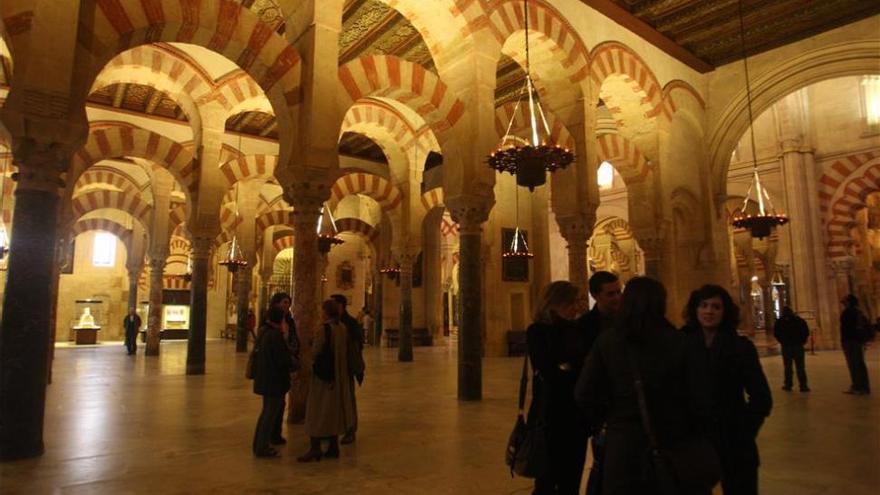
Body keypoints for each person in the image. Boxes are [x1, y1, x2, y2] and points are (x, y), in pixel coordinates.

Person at [577, 277, 713, 495]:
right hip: (674, 441)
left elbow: (584, 393)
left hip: (624, 444)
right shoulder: (680, 342)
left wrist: (609, 419)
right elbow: (701, 396)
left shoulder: (608, 342)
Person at [682, 285, 772, 495]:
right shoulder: (682, 345)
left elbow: (762, 398)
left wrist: (744, 431)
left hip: (734, 442)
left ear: (725, 312)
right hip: (696, 441)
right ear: (695, 310)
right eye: (703, 306)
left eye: (716, 307)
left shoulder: (741, 348)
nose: (709, 311)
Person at [527, 281, 590, 494]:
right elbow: (549, 370)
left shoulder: (577, 329)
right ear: (554, 303)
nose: (576, 307)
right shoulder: (537, 331)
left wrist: (567, 367)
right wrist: (569, 367)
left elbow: (581, 367)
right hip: (549, 414)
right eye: (571, 302)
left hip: (577, 416)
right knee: (546, 479)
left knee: (571, 479)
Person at [575, 271, 622, 493]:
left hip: (624, 404)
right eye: (610, 294)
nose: (616, 298)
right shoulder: (584, 326)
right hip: (601, 407)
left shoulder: (628, 322)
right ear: (595, 295)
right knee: (602, 462)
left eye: (618, 292)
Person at [298, 300, 357, 462]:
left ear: (325, 312)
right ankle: (333, 446)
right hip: (339, 376)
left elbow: (316, 351)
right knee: (333, 411)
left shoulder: (324, 329)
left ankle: (315, 448)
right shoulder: (342, 328)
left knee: (317, 410)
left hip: (324, 378)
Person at [252, 307, 293, 458]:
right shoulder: (275, 335)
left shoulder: (264, 332)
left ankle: (259, 444)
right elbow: (282, 360)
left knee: (266, 413)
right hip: (274, 381)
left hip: (265, 378)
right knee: (269, 415)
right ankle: (262, 447)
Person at [330, 294, 365, 445]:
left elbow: (357, 347)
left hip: (346, 367)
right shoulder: (331, 322)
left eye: (334, 305)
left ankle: (350, 429)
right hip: (333, 368)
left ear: (341, 306)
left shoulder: (350, 323)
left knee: (348, 398)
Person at [267, 292, 300, 445]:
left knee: (281, 404)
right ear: (276, 304)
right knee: (271, 406)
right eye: (284, 302)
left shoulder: (290, 322)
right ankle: (266, 437)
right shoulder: (269, 324)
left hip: (284, 366)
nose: (287, 306)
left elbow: (294, 340)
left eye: (288, 303)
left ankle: (275, 433)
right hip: (273, 368)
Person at [773, 306, 810, 392]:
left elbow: (776, 333)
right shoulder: (799, 320)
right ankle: (803, 386)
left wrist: (782, 341)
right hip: (798, 346)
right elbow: (806, 332)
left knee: (788, 367)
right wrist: (802, 341)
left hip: (786, 347)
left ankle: (788, 385)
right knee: (800, 367)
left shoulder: (780, 322)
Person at [840, 295, 871, 395]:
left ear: (848, 302)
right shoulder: (858, 312)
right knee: (860, 364)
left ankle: (857, 387)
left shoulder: (848, 312)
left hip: (850, 341)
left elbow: (846, 328)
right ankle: (864, 387)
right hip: (857, 341)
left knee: (854, 364)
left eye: (844, 301)